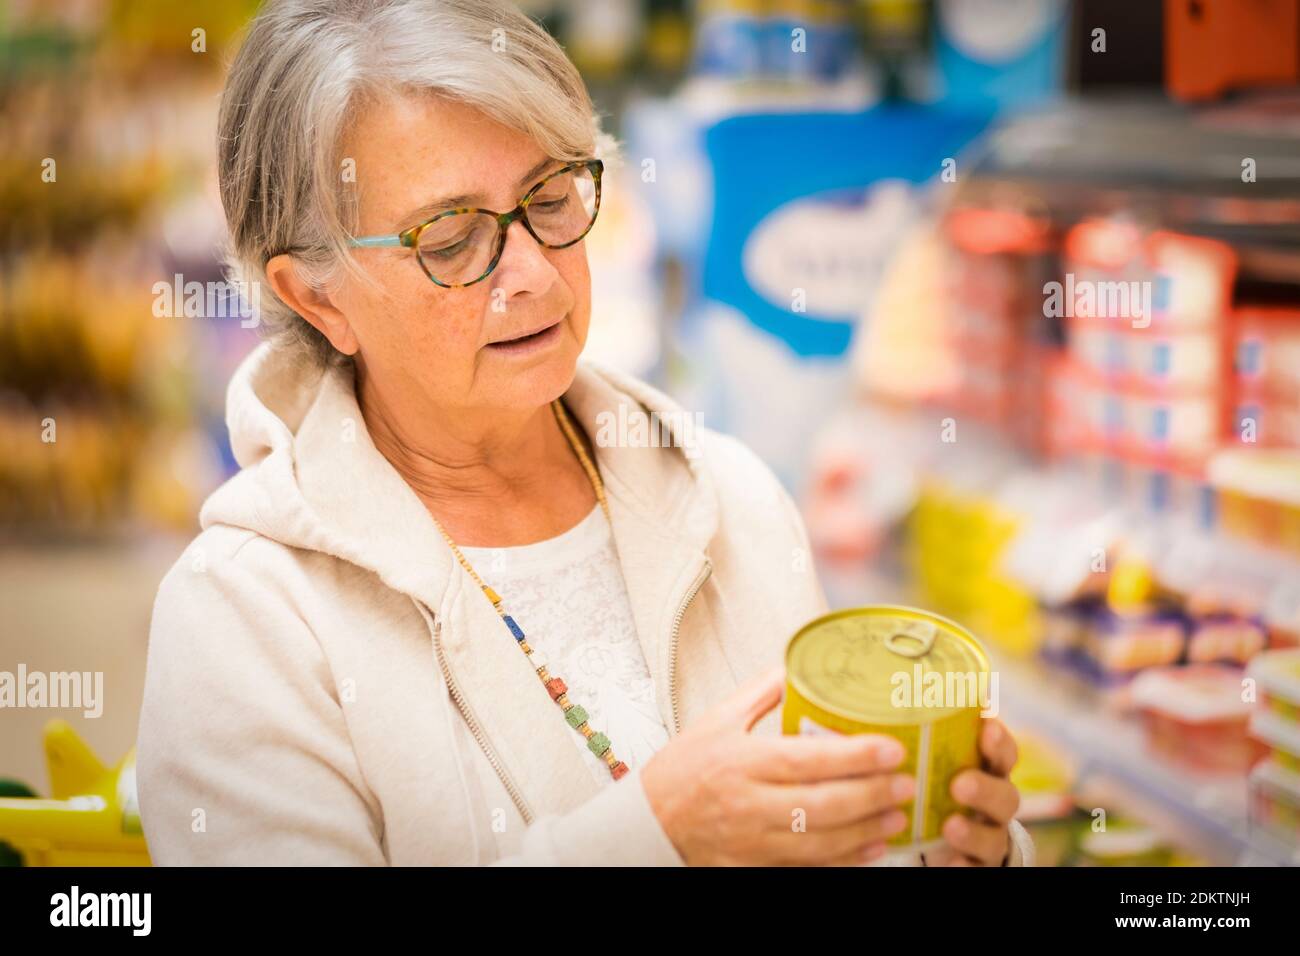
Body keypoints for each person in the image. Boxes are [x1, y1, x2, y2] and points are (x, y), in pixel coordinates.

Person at [136, 0, 1032, 866]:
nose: (530, 272)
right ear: (316, 296)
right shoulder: (241, 618)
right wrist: (660, 835)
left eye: (552, 197)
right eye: (449, 239)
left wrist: (946, 853)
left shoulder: (731, 497)